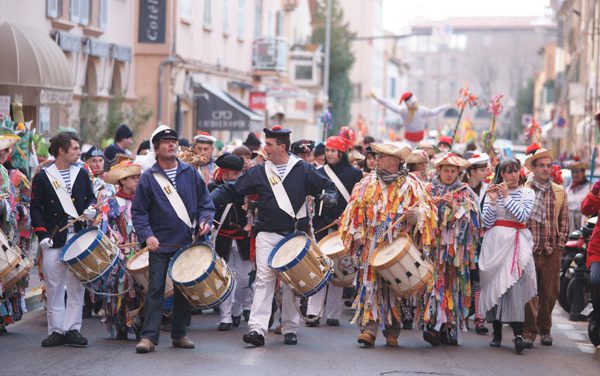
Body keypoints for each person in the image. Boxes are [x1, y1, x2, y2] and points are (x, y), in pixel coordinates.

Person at [229, 125, 337, 347]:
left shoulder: (303, 170)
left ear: (282, 146)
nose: (264, 148)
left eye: (269, 144)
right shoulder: (259, 171)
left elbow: (327, 187)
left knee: (292, 284)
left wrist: (330, 197)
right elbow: (233, 189)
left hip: (294, 235)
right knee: (263, 280)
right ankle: (257, 329)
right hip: (266, 234)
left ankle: (289, 327)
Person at [339, 142, 437, 347]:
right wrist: (356, 233)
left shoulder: (413, 185)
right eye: (378, 156)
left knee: (394, 287)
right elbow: (353, 212)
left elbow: (429, 214)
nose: (377, 160)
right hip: (371, 243)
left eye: (382, 157)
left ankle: (392, 330)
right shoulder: (365, 184)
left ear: (396, 161)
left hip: (398, 246)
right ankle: (369, 329)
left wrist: (415, 216)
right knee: (370, 286)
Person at [132, 126, 215, 354]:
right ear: (156, 148)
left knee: (183, 292)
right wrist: (147, 235)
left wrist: (205, 220)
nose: (171, 144)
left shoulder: (190, 173)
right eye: (166, 141)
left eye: (173, 141)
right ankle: (149, 337)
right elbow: (139, 212)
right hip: (160, 243)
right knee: (156, 290)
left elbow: (205, 204)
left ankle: (179, 334)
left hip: (186, 241)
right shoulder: (149, 178)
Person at [30, 131, 96, 347]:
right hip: (53, 238)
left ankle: (73, 329)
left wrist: (91, 210)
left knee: (76, 285)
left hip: (77, 236)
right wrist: (42, 234)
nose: (79, 152)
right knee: (54, 286)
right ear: (62, 150)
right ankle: (56, 330)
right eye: (75, 148)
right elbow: (36, 208)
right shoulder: (43, 176)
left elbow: (91, 198)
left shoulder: (82, 173)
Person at [421, 153, 481, 346]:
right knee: (433, 286)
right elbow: (419, 215)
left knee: (454, 286)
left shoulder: (466, 192)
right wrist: (432, 206)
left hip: (456, 253)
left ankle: (449, 326)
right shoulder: (428, 189)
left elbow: (473, 222)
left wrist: (453, 206)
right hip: (432, 248)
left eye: (453, 171)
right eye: (445, 170)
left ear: (459, 172)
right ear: (438, 170)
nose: (449, 174)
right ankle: (432, 324)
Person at [479, 158, 537, 354]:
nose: (512, 175)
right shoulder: (492, 191)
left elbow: (522, 216)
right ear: (501, 174)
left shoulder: (528, 192)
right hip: (495, 244)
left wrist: (506, 197)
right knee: (495, 286)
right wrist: (493, 201)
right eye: (508, 172)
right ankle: (496, 333)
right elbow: (486, 222)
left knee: (514, 287)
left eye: (515, 171)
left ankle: (518, 335)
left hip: (516, 244)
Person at [305, 136, 363, 328]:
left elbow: (358, 202)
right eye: (327, 150)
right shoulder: (318, 172)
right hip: (322, 225)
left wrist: (346, 220)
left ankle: (333, 314)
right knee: (319, 268)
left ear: (342, 152)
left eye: (333, 150)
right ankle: (313, 312)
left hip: (343, 227)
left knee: (339, 268)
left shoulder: (355, 174)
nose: (329, 154)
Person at [522, 144, 568, 348]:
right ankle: (529, 332)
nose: (546, 169)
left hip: (551, 250)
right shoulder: (524, 191)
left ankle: (545, 328)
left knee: (550, 293)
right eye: (541, 165)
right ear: (533, 168)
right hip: (530, 250)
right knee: (530, 293)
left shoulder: (558, 191)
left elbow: (564, 221)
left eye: (549, 165)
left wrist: (559, 245)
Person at [98, 160, 144, 339]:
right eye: (133, 178)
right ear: (122, 181)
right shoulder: (112, 202)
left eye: (138, 177)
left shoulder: (143, 199)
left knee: (141, 288)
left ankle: (141, 323)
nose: (137, 181)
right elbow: (106, 228)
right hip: (120, 252)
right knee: (120, 288)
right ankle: (121, 325)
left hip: (140, 250)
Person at [210, 154, 253, 331]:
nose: (231, 176)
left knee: (244, 279)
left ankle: (237, 309)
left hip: (243, 238)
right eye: (228, 173)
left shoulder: (248, 189)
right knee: (224, 279)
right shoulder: (213, 189)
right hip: (222, 239)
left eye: (235, 173)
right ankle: (225, 316)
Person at [0, 130, 31, 335]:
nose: (2, 153)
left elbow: (27, 202)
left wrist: (20, 210)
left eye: (5, 150)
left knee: (7, 274)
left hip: (10, 231)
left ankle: (3, 317)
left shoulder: (17, 175)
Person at [464, 153, 492, 335]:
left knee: (480, 280)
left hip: (483, 241)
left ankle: (480, 318)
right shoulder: (462, 189)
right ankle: (464, 315)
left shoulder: (488, 190)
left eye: (486, 169)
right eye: (481, 170)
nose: (485, 173)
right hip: (463, 241)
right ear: (472, 171)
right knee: (465, 278)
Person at [369, 91, 448, 146]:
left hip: (419, 141)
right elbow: (389, 104)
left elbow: (434, 112)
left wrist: (445, 106)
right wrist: (377, 98)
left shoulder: (420, 110)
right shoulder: (404, 111)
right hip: (409, 141)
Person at [580, 179, 600, 347]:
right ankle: (596, 314)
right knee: (595, 280)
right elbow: (586, 209)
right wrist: (594, 193)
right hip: (598, 250)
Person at [566, 160, 589, 232]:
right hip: (569, 223)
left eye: (577, 171)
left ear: (583, 172)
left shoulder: (590, 188)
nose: (574, 174)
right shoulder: (569, 188)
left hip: (582, 222)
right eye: (573, 172)